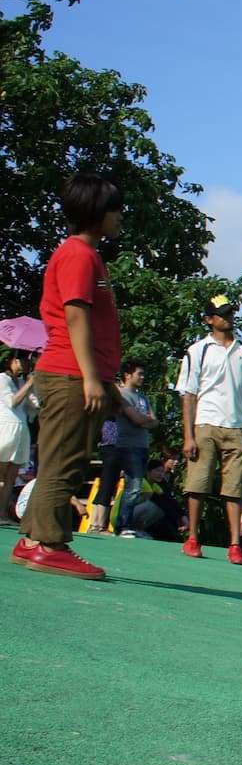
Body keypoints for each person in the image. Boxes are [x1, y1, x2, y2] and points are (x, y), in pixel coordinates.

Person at [12, 174, 124, 580]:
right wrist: (92, 377)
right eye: (114, 208)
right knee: (67, 460)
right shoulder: (78, 254)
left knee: (63, 457)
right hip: (70, 373)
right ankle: (49, 544)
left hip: (75, 371)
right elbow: (76, 314)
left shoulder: (85, 254)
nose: (119, 216)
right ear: (96, 213)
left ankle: (32, 541)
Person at [175, 293, 242, 564]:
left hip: (236, 425)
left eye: (230, 313)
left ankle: (235, 544)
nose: (228, 318)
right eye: (222, 314)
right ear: (209, 319)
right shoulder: (197, 350)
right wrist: (188, 435)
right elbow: (187, 393)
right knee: (198, 483)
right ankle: (193, 538)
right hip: (205, 422)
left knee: (234, 487)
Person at [91, 362, 155, 534]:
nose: (142, 377)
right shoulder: (119, 393)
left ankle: (117, 525)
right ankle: (106, 525)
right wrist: (144, 420)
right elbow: (138, 419)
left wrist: (146, 420)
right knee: (113, 485)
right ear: (127, 375)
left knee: (132, 487)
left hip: (139, 445)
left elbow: (154, 420)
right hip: (118, 444)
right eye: (139, 374)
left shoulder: (143, 397)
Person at [0, 348, 35, 527]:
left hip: (21, 432)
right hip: (5, 429)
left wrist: (32, 388)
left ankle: (2, 514)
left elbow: (33, 410)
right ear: (12, 361)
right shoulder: (2, 379)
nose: (26, 364)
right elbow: (12, 402)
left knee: (11, 477)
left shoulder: (23, 381)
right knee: (1, 473)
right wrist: (28, 385)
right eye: (22, 360)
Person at [122, 450, 185, 541]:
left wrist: (181, 516)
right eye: (157, 471)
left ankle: (140, 530)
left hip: (136, 513)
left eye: (162, 472)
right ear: (148, 472)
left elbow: (168, 499)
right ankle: (132, 529)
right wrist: (177, 517)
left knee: (162, 508)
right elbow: (156, 499)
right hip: (122, 515)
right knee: (154, 506)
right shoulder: (142, 481)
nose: (160, 474)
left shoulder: (159, 482)